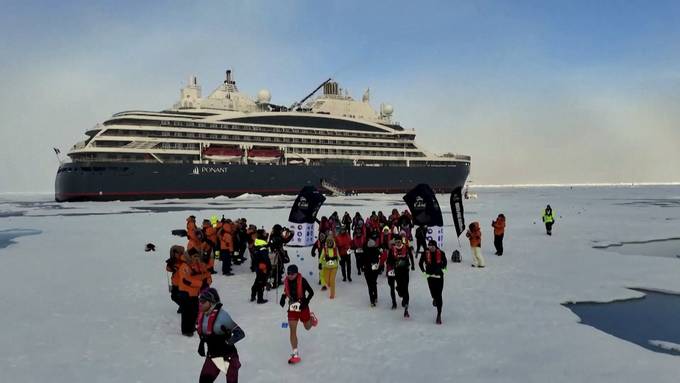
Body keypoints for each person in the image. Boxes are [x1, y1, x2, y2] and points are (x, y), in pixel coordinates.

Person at [196, 288, 244, 383]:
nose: (200, 303)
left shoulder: (222, 316)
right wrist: (202, 342)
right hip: (213, 356)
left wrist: (227, 342)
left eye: (203, 301)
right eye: (199, 301)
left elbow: (240, 333)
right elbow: (204, 332)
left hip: (228, 357)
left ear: (211, 302)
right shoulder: (203, 316)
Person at [279, 265, 317, 364]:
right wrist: (283, 298)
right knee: (292, 331)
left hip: (303, 307)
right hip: (292, 308)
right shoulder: (286, 280)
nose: (290, 276)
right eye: (289, 273)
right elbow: (286, 291)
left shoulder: (302, 281)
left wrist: (306, 301)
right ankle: (295, 354)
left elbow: (311, 292)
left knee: (307, 327)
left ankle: (311, 318)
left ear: (296, 273)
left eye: (292, 274)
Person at [178, 248, 211, 336]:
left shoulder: (194, 265)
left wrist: (206, 281)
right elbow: (186, 280)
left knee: (194, 311)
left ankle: (191, 327)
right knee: (186, 313)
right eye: (194, 256)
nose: (196, 258)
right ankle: (186, 331)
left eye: (197, 256)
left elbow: (203, 275)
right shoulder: (184, 266)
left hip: (194, 293)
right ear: (189, 257)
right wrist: (201, 283)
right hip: (185, 293)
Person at [419, 240, 447, 324]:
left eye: (432, 246)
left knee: (439, 295)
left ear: (435, 246)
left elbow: (445, 263)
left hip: (439, 277)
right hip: (430, 277)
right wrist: (424, 272)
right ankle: (434, 298)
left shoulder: (441, 253)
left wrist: (441, 269)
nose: (430, 248)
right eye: (429, 246)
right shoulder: (425, 253)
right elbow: (420, 263)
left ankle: (439, 315)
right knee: (433, 293)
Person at [388, 236, 415, 318]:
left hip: (405, 271)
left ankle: (406, 308)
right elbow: (389, 260)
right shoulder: (392, 249)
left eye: (399, 242)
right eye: (396, 242)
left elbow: (411, 256)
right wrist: (394, 263)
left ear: (401, 242)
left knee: (406, 288)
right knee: (400, 288)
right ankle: (399, 290)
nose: (398, 243)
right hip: (397, 271)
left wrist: (413, 265)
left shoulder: (406, 248)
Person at [362, 233, 382, 307]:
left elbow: (363, 260)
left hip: (369, 270)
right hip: (372, 270)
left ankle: (372, 300)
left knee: (370, 285)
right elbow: (378, 259)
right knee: (373, 284)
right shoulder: (376, 250)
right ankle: (374, 298)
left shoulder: (367, 250)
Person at [250, 237, 271, 304]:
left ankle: (253, 295)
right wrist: (269, 267)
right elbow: (267, 260)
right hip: (263, 268)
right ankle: (260, 299)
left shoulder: (256, 249)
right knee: (261, 283)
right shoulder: (263, 250)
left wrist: (253, 267)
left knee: (257, 281)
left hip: (257, 268)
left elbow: (253, 259)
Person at [166, 245, 185, 313]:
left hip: (182, 284)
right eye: (175, 253)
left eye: (177, 253)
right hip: (175, 283)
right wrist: (171, 267)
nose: (176, 254)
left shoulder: (183, 261)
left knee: (181, 297)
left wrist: (176, 268)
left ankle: (184, 307)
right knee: (174, 296)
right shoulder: (173, 261)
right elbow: (167, 269)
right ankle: (183, 306)